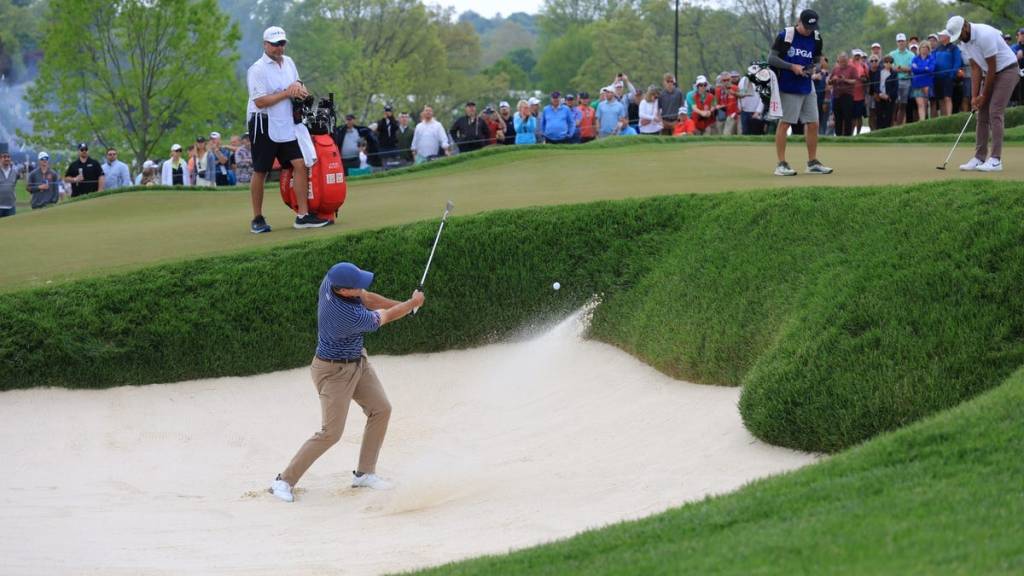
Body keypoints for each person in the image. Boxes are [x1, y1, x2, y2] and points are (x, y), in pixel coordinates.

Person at [269, 262, 425, 502]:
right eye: (356, 286)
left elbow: (368, 298)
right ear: (343, 291)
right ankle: (283, 481)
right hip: (333, 373)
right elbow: (385, 316)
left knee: (381, 409)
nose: (361, 288)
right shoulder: (346, 315)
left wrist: (404, 304)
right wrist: (411, 304)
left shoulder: (330, 281)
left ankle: (364, 474)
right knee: (331, 433)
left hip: (357, 362)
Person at [246, 25, 329, 233]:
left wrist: (299, 88)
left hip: (286, 121)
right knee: (261, 170)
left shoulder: (289, 62)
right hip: (262, 123)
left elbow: (297, 82)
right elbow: (260, 101)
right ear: (265, 45)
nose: (279, 48)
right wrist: (286, 92)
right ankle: (257, 218)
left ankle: (302, 216)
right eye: (275, 44)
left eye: (282, 44)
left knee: (300, 164)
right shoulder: (257, 69)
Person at [945, 16, 1021, 172]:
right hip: (991, 72)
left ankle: (995, 160)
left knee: (995, 111)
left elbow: (992, 68)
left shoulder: (984, 34)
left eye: (960, 34)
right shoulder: (964, 42)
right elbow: (975, 68)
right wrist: (975, 97)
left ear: (965, 26)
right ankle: (979, 158)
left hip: (1008, 70)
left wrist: (983, 95)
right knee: (982, 113)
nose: (959, 38)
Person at [768, 9, 832, 176]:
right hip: (788, 86)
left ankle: (812, 163)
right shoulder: (786, 35)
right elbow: (771, 58)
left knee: (813, 123)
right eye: (807, 27)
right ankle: (781, 164)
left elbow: (818, 60)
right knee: (786, 123)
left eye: (812, 27)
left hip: (807, 85)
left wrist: (813, 69)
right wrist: (792, 67)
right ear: (799, 22)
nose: (809, 30)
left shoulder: (816, 38)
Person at [829, 52, 859, 137]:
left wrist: (845, 80)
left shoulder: (852, 69)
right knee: (838, 117)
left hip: (847, 96)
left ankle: (847, 136)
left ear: (847, 60)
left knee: (847, 117)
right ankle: (838, 135)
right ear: (838, 61)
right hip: (836, 95)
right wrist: (833, 80)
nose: (842, 63)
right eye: (841, 61)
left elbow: (855, 81)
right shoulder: (835, 69)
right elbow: (829, 82)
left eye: (844, 61)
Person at [890, 33, 915, 125]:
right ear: (897, 42)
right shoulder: (892, 54)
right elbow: (891, 67)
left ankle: (899, 124)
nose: (901, 43)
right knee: (894, 105)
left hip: (906, 81)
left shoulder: (911, 54)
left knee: (903, 104)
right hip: (895, 81)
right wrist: (903, 69)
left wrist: (899, 68)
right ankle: (892, 124)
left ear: (906, 42)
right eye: (899, 41)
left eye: (902, 41)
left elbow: (910, 68)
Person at [910, 43, 935, 123]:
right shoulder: (915, 59)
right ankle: (922, 121)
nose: (924, 49)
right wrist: (925, 68)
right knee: (920, 104)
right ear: (919, 49)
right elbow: (914, 70)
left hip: (927, 84)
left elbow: (931, 69)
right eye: (922, 48)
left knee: (925, 104)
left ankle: (926, 121)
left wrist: (919, 68)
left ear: (929, 49)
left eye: (926, 48)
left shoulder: (931, 58)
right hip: (917, 84)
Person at [0, 145, 19, 217]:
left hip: (11, 206)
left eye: (8, 157)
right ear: (0, 159)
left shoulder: (15, 172)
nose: (7, 159)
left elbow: (13, 186)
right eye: (4, 157)